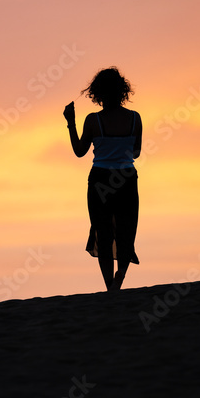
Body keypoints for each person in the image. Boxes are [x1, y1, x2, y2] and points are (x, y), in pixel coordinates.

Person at [63, 67, 141, 291]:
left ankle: (110, 288)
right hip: (126, 178)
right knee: (127, 230)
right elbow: (136, 152)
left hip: (100, 180)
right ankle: (119, 279)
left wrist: (71, 122)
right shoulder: (135, 119)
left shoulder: (93, 121)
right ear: (122, 91)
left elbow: (79, 150)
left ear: (98, 93)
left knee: (103, 232)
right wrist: (121, 148)